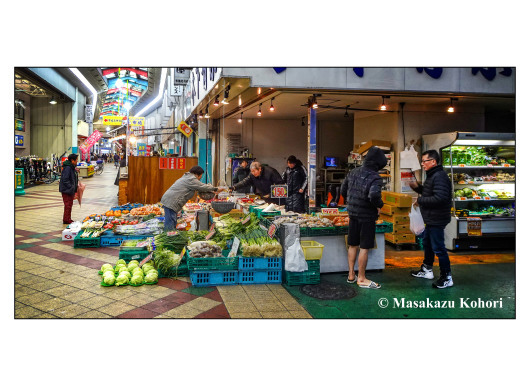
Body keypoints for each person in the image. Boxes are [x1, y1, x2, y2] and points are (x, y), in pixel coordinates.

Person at [340, 147, 388, 289]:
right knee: (364, 247)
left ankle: (351, 275)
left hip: (352, 213)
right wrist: (380, 205)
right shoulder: (375, 177)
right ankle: (361, 278)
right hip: (367, 216)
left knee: (352, 244)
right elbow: (373, 196)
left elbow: (343, 190)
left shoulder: (353, 172)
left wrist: (352, 201)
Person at [409, 149, 453, 289]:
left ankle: (447, 277)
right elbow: (431, 193)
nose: (422, 164)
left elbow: (440, 198)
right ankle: (427, 269)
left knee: (439, 248)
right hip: (431, 217)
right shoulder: (433, 175)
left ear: (433, 161)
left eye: (424, 161)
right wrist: (418, 188)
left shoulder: (439, 176)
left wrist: (420, 201)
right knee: (427, 242)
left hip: (437, 218)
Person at [161, 166, 218, 231]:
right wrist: (216, 189)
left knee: (172, 222)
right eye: (200, 176)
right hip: (171, 202)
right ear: (197, 174)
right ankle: (168, 238)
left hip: (170, 201)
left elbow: (199, 187)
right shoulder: (191, 179)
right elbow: (202, 186)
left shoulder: (188, 177)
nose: (200, 178)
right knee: (170, 225)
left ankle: (170, 235)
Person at [59, 153, 79, 224]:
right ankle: (66, 219)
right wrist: (71, 187)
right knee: (68, 205)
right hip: (66, 190)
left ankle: (68, 218)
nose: (77, 161)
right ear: (72, 160)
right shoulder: (68, 168)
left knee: (69, 204)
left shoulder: (71, 167)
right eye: (76, 160)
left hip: (69, 190)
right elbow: (65, 179)